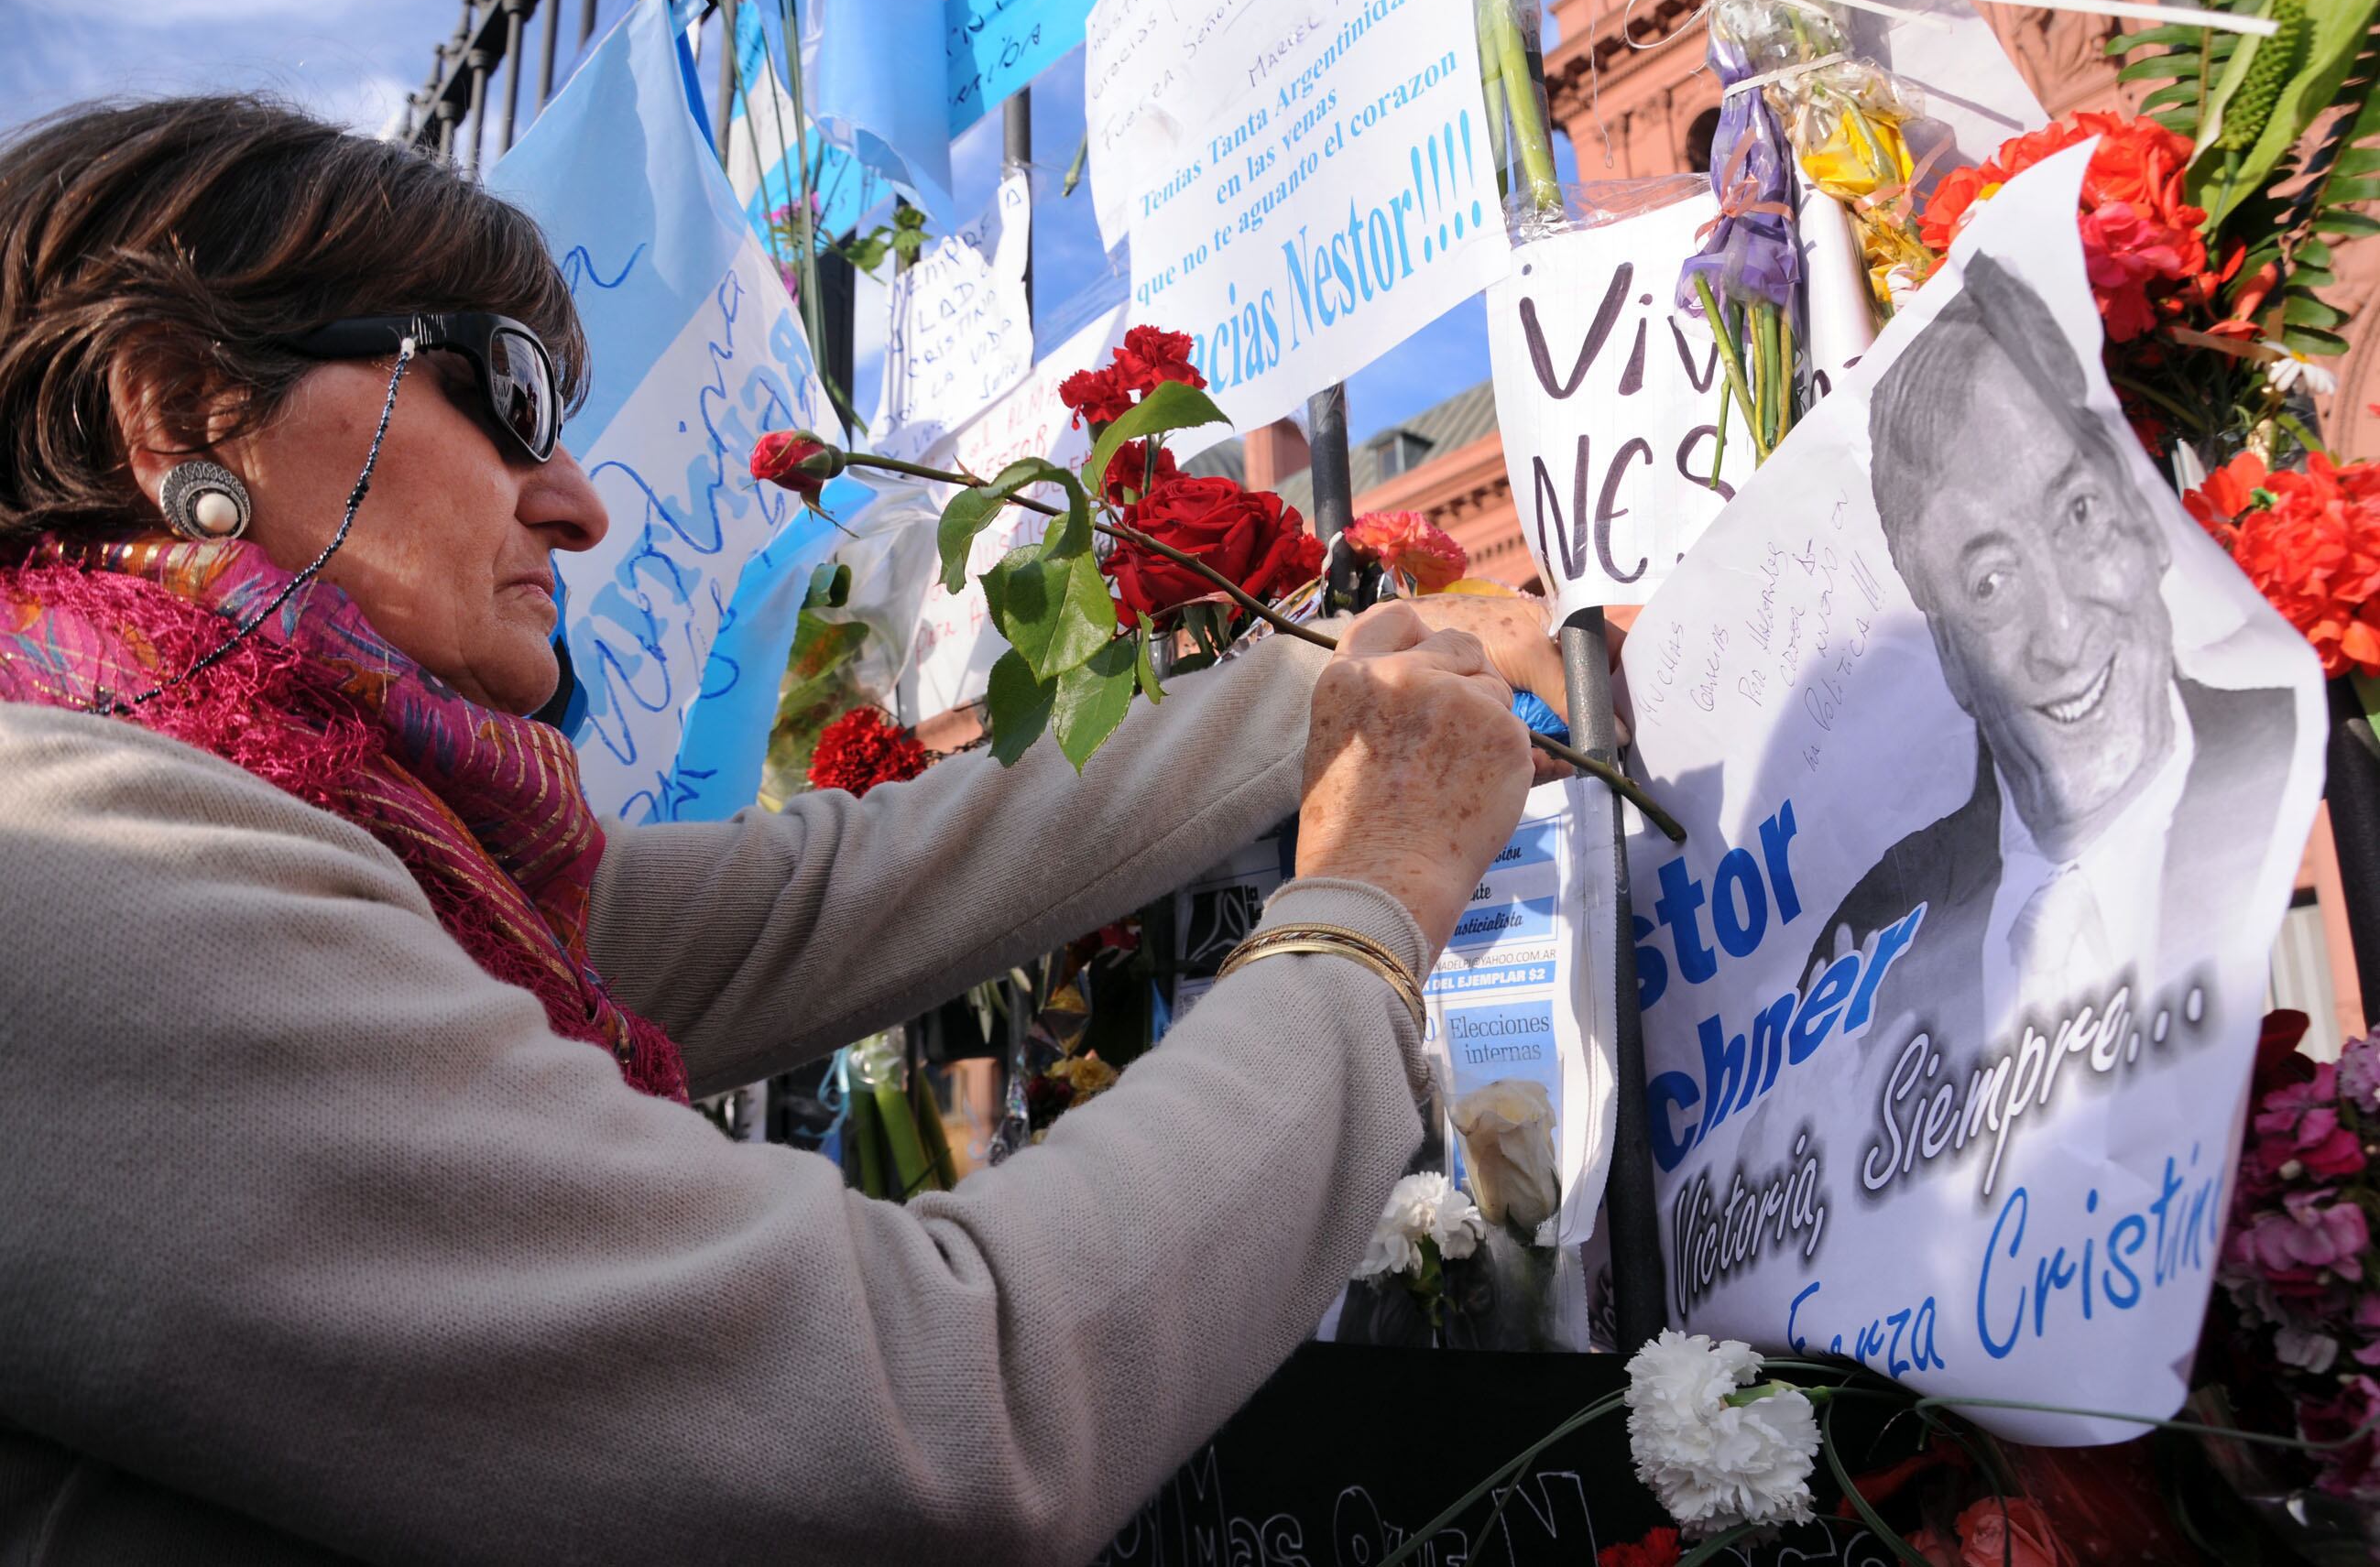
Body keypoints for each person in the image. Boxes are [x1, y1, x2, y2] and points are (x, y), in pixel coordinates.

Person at [0, 97, 1578, 1564]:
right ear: (182, 407)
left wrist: (1312, 694)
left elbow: (801, 897)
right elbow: (934, 1405)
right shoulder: (75, 862)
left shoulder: (286, 798)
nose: (577, 501)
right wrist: (1362, 912)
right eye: (509, 393)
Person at [1812, 254, 2295, 1064]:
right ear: (1949, 653)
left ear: (2142, 520)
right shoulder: (1874, 934)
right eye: (1990, 580)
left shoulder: (2313, 767)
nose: (2063, 632)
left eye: (2077, 514)